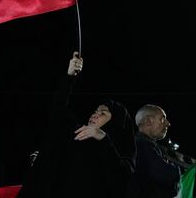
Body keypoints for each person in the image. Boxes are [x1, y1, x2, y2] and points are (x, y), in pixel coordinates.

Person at [18, 52, 136, 198]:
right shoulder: (78, 134)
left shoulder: (122, 151)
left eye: (103, 113)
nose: (95, 114)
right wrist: (69, 76)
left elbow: (121, 178)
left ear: (117, 123)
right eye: (95, 111)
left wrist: (103, 139)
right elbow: (58, 110)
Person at [128, 104, 181, 198]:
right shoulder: (143, 145)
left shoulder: (136, 145)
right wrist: (176, 170)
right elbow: (169, 175)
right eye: (163, 119)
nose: (168, 123)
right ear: (148, 121)